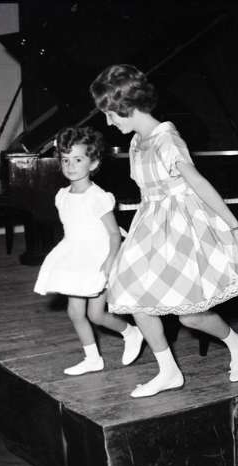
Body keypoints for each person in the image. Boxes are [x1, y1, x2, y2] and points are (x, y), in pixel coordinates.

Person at [89, 64, 238, 398]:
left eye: (110, 114)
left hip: (180, 228)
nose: (109, 122)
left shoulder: (167, 138)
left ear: (128, 106)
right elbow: (147, 193)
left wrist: (233, 224)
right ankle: (168, 371)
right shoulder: (136, 141)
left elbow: (197, 182)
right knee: (133, 296)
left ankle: (237, 343)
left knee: (190, 317)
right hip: (150, 226)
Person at [34, 126, 144, 376]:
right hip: (76, 257)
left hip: (98, 257)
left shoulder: (97, 197)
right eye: (65, 160)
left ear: (93, 163)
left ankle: (131, 332)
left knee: (96, 315)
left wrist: (110, 260)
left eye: (78, 159)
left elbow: (114, 233)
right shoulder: (62, 195)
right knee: (75, 312)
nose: (70, 165)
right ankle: (92, 358)